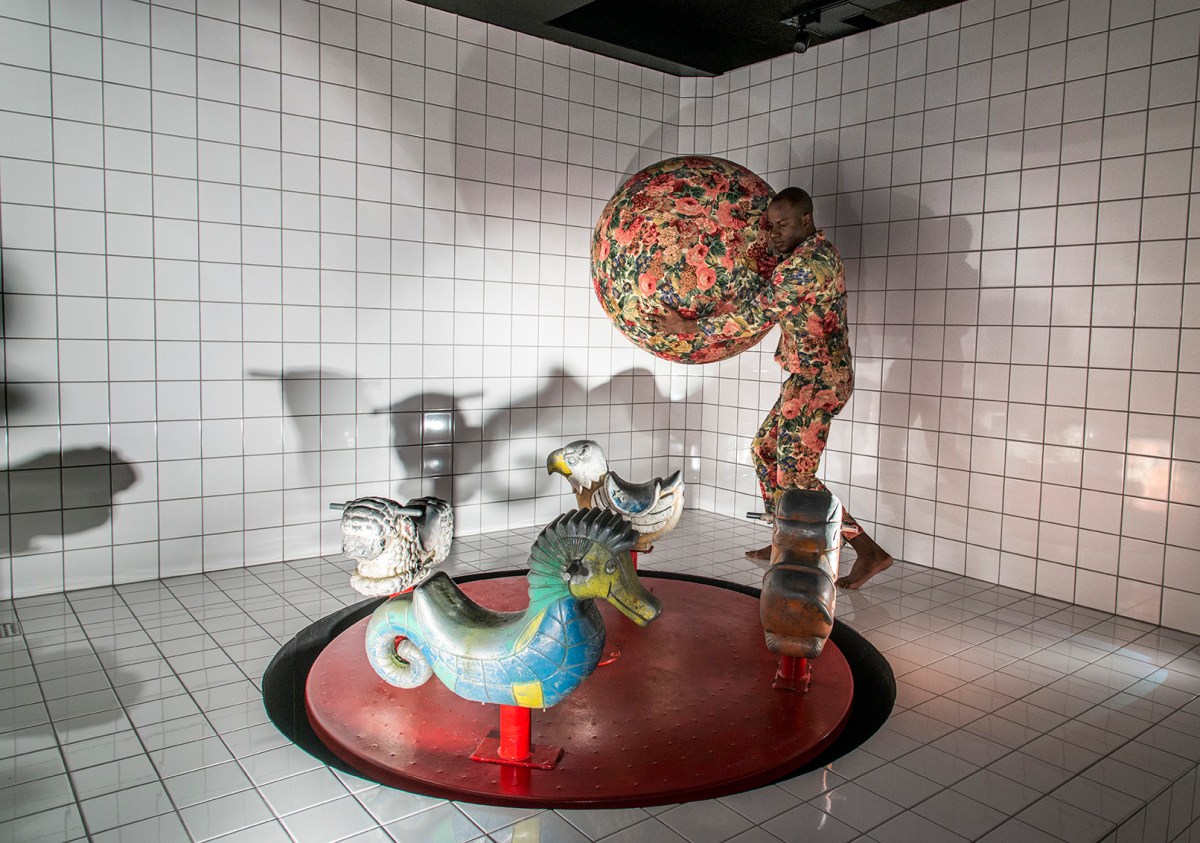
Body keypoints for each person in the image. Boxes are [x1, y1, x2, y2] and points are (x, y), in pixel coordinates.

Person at [648, 187, 892, 589]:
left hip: (821, 379)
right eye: (771, 225)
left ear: (806, 221)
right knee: (764, 451)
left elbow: (755, 316)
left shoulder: (806, 266)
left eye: (782, 225)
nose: (774, 233)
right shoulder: (805, 255)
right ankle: (785, 540)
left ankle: (868, 551)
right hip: (807, 376)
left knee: (797, 474)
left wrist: (689, 326)